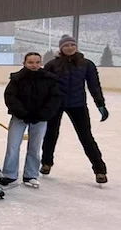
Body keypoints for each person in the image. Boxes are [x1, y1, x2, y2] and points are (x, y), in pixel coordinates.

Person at [40, 36, 108, 184]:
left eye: (72, 45)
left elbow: (94, 85)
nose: (69, 47)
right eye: (66, 45)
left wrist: (100, 103)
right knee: (51, 134)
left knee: (86, 137)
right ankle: (46, 163)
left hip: (78, 105)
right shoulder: (52, 64)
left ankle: (100, 170)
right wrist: (42, 105)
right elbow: (44, 86)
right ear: (61, 48)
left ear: (76, 46)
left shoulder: (86, 64)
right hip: (56, 104)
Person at [0, 52, 61, 189]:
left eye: (37, 62)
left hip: (40, 119)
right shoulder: (17, 78)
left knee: (35, 147)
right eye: (31, 62)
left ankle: (31, 175)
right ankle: (9, 174)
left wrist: (43, 114)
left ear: (41, 63)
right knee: (13, 146)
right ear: (24, 63)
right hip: (19, 118)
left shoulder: (49, 79)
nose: (34, 65)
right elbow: (10, 97)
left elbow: (54, 98)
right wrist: (23, 113)